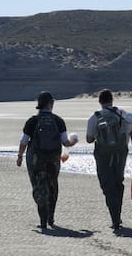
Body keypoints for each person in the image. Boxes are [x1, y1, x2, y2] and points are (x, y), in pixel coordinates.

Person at [17, 91, 78, 229]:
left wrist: (20, 156)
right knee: (52, 186)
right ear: (51, 103)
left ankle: (43, 220)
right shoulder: (58, 121)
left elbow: (24, 141)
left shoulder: (32, 121)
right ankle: (51, 217)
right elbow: (65, 143)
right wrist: (73, 141)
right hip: (53, 158)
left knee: (39, 187)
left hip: (36, 159)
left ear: (38, 104)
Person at [86, 89, 132, 231]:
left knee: (107, 186)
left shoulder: (95, 117)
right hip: (120, 154)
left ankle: (115, 218)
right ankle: (117, 216)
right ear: (112, 100)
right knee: (118, 184)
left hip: (103, 155)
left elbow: (89, 139)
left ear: (100, 102)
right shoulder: (123, 115)